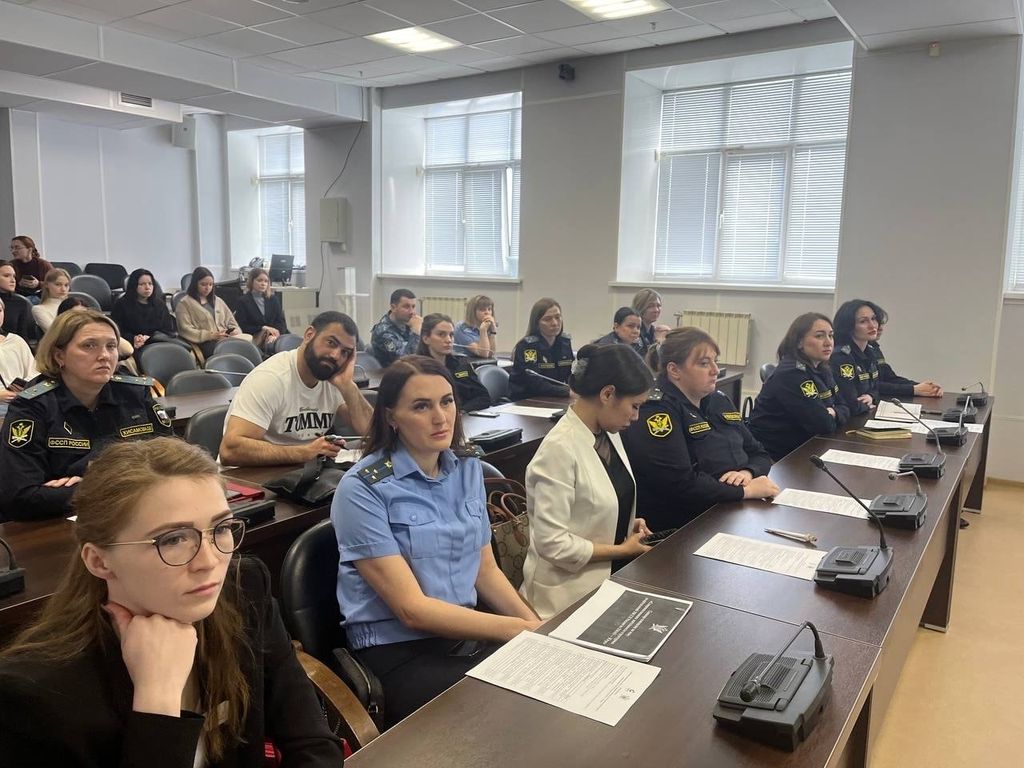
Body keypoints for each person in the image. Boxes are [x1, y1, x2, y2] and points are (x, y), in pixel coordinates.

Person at [0, 437, 345, 767]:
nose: (209, 561)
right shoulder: (34, 695)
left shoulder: (243, 590)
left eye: (221, 528)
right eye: (174, 539)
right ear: (99, 561)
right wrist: (157, 702)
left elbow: (312, 744)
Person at [332, 355, 540, 728]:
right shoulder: (362, 488)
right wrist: (516, 630)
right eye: (421, 406)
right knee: (511, 712)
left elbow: (485, 571)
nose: (441, 417)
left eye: (447, 401)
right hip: (399, 652)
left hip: (465, 632)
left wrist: (537, 627)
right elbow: (412, 611)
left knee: (545, 680)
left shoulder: (467, 466)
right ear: (391, 417)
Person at [0, 309, 174, 521]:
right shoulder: (32, 406)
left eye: (111, 346)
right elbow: (19, 496)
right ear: (59, 355)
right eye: (89, 346)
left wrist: (92, 485)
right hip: (60, 525)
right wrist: (128, 481)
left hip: (137, 512)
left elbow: (173, 463)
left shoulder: (135, 393)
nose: (104, 355)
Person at [520, 344, 654, 619]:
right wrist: (620, 550)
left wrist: (623, 521)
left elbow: (597, 500)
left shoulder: (608, 432)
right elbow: (552, 543)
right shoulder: (558, 450)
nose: (636, 416)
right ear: (607, 394)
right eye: (634, 406)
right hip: (562, 598)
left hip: (608, 581)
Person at [623, 328, 779, 533]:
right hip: (684, 525)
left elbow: (759, 453)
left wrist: (747, 472)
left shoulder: (718, 400)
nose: (715, 370)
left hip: (728, 510)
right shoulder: (656, 411)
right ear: (674, 370)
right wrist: (745, 491)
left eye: (715, 361)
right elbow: (681, 484)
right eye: (704, 363)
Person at [219, 311, 374, 467]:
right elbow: (230, 451)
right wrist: (304, 452)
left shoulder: (332, 378)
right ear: (309, 335)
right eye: (331, 343)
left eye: (345, 352)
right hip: (248, 475)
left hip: (300, 470)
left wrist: (348, 386)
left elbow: (373, 432)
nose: (335, 355)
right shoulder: (271, 378)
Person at [748, 313, 850, 461]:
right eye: (819, 336)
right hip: (776, 456)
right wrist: (833, 412)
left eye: (831, 335)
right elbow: (823, 424)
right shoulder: (792, 373)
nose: (828, 343)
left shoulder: (822, 368)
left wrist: (833, 412)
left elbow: (845, 406)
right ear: (799, 342)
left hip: (805, 445)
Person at [417, 313, 493, 412]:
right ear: (426, 338)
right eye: (441, 334)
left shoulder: (460, 364)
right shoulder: (417, 369)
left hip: (464, 415)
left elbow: (483, 397)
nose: (449, 340)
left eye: (451, 335)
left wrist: (462, 411)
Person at [868, 302, 943, 398]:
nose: (880, 328)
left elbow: (890, 378)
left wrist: (925, 387)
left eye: (881, 323)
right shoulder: (855, 352)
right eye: (876, 322)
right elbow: (871, 385)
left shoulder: (874, 347)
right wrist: (914, 389)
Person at [174, 267, 248, 360]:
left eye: (210, 284)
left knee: (247, 349)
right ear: (195, 284)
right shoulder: (184, 304)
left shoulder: (217, 300)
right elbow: (185, 329)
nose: (207, 288)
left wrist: (235, 330)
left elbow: (231, 320)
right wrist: (210, 335)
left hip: (225, 338)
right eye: (203, 284)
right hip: (205, 343)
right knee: (230, 353)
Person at [509, 298, 574, 400]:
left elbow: (570, 374)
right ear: (537, 323)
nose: (555, 323)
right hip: (527, 399)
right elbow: (534, 384)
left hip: (556, 397)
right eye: (547, 319)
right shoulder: (528, 346)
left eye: (557, 317)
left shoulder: (565, 342)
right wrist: (566, 391)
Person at [830, 299, 882, 417]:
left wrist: (871, 397)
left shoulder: (871, 352)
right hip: (847, 419)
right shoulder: (840, 357)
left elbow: (877, 387)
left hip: (863, 414)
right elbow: (850, 403)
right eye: (863, 321)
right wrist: (866, 405)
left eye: (873, 319)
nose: (872, 325)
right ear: (848, 326)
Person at [110, 268, 177, 355]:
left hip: (157, 343)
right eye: (142, 284)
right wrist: (133, 338)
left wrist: (150, 338)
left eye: (150, 284)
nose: (147, 287)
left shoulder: (159, 304)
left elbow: (168, 330)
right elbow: (116, 330)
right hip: (131, 345)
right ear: (134, 286)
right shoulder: (121, 304)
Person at [233, 268, 289, 354]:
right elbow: (242, 326)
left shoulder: (273, 299)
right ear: (252, 281)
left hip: (275, 335)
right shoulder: (243, 301)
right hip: (255, 337)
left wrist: (274, 335)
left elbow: (281, 322)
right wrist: (262, 328)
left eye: (266, 281)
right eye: (259, 280)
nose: (263, 284)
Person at [0, 297, 39, 418]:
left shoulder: (16, 341)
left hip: (23, 400)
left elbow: (34, 372)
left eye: (0, 310)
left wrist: (23, 392)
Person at [370, 288, 422, 365]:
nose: (412, 312)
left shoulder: (407, 323)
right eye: (406, 307)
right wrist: (416, 333)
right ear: (393, 308)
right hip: (392, 371)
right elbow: (404, 361)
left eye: (413, 307)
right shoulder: (383, 332)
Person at [8, 236, 52, 302]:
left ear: (29, 250)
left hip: (41, 298)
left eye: (17, 248)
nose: (13, 251)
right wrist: (18, 284)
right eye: (12, 248)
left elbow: (55, 283)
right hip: (17, 299)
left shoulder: (43, 265)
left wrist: (38, 284)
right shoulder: (10, 265)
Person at [631, 288, 672, 356]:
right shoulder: (634, 333)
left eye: (658, 306)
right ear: (640, 307)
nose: (656, 310)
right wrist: (658, 343)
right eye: (651, 306)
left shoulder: (653, 331)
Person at [30, 267, 71, 332]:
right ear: (46, 285)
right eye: (58, 284)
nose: (63, 289)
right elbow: (54, 333)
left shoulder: (73, 305)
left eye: (66, 285)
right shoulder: (39, 309)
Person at [0, 262, 34, 340]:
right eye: (6, 276)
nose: (13, 280)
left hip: (13, 344)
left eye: (14, 276)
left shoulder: (20, 302)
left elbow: (22, 336)